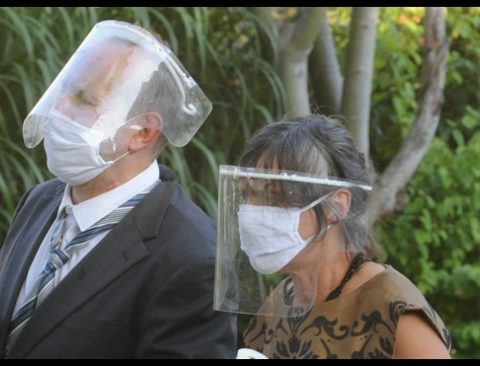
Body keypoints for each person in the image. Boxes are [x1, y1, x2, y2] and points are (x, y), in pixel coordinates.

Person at [0, 20, 236, 359]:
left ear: (143, 133)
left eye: (84, 99)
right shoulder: (40, 201)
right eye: (64, 89)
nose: (58, 108)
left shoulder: (193, 260)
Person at [214, 114, 451, 359]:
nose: (252, 212)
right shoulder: (278, 303)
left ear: (335, 206)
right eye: (247, 196)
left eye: (274, 197)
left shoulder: (395, 311)